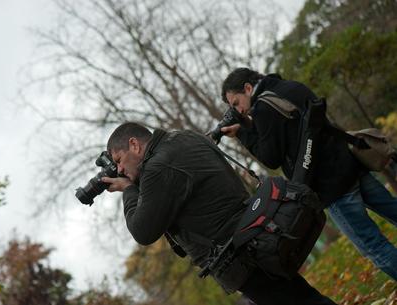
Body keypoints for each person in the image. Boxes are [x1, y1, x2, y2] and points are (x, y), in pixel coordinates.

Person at [101, 122, 337, 305]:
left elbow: (143, 231)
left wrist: (129, 189)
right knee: (302, 297)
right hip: (254, 234)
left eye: (119, 160)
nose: (120, 169)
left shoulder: (158, 168)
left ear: (134, 144)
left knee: (301, 301)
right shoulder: (182, 137)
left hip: (237, 254)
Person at [220, 67, 397, 280]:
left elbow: (271, 158)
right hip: (351, 167)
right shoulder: (289, 86)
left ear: (248, 88)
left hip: (331, 189)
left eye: (236, 103)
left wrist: (243, 133)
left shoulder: (263, 110)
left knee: (373, 245)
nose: (238, 110)